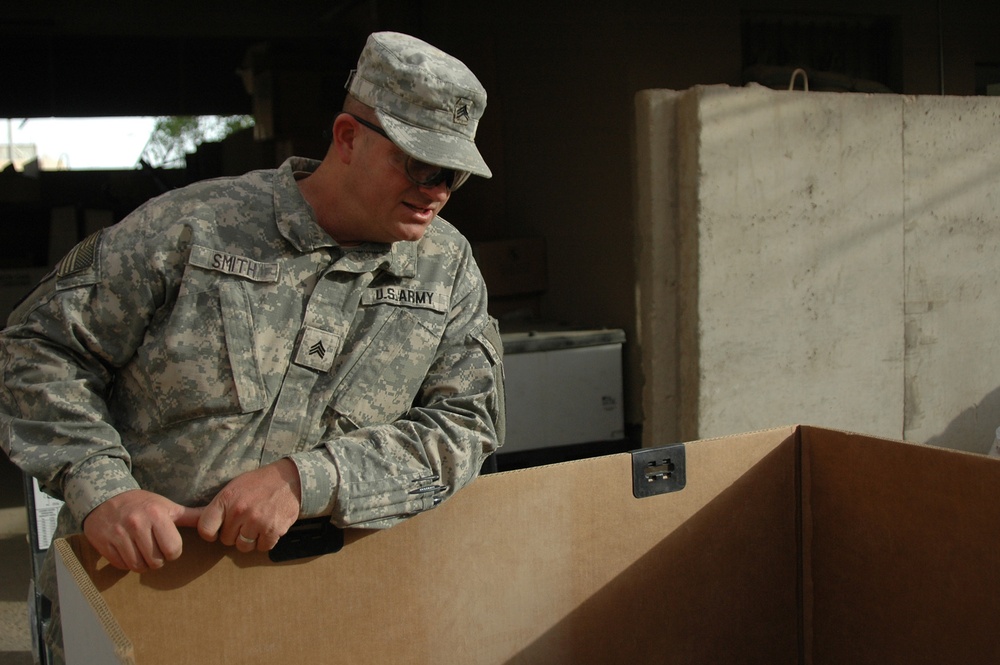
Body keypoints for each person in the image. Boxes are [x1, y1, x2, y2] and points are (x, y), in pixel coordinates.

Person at [0, 31, 505, 662]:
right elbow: (35, 350)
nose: (437, 189)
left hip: (327, 610)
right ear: (347, 138)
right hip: (139, 598)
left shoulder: (447, 268)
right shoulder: (189, 228)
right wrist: (102, 488)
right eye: (420, 164)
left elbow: (466, 424)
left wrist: (306, 479)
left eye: (454, 174)